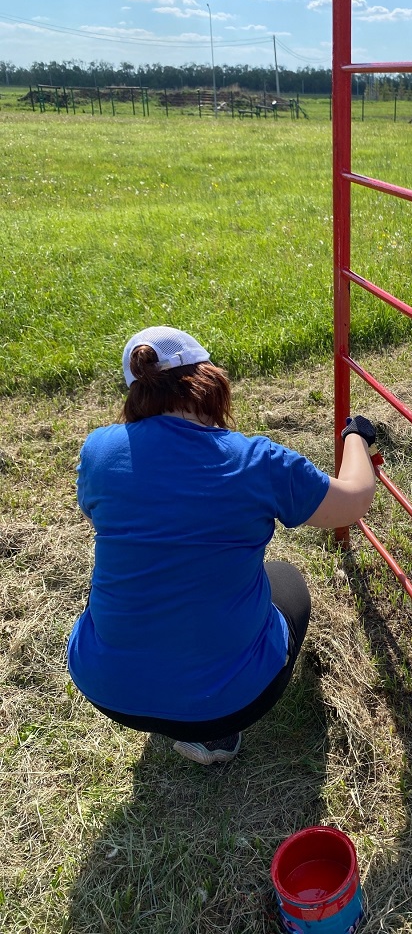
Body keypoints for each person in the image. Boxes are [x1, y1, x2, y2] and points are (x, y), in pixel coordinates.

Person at [67, 326, 378, 765]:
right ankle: (214, 734)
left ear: (137, 395)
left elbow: (96, 514)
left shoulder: (98, 451)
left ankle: (163, 700)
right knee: (285, 579)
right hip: (233, 698)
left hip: (107, 688)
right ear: (209, 381)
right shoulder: (256, 461)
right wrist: (355, 438)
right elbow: (353, 501)